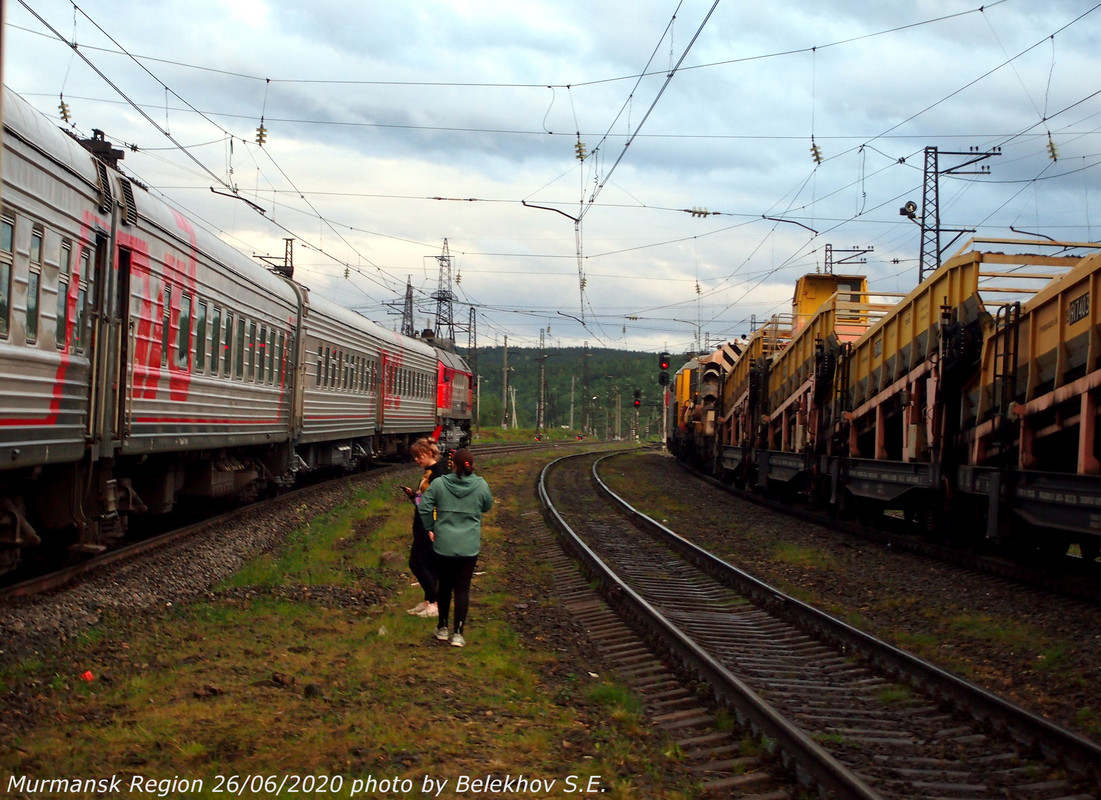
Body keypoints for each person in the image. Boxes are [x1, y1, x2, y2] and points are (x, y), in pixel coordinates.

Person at [417, 448, 493, 648]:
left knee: (445, 586)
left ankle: (442, 627)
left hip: (444, 544)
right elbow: (487, 506)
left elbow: (424, 506)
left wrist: (430, 527)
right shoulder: (481, 485)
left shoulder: (440, 484)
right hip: (469, 545)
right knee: (462, 588)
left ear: (453, 464)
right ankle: (458, 633)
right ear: (471, 465)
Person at [402, 438, 447, 618]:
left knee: (416, 562)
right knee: (429, 563)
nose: (416, 460)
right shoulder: (430, 472)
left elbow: (438, 502)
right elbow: (425, 501)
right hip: (422, 521)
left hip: (429, 524)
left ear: (429, 454)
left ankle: (436, 602)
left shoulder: (438, 474)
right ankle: (429, 600)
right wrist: (413, 496)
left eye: (418, 456)